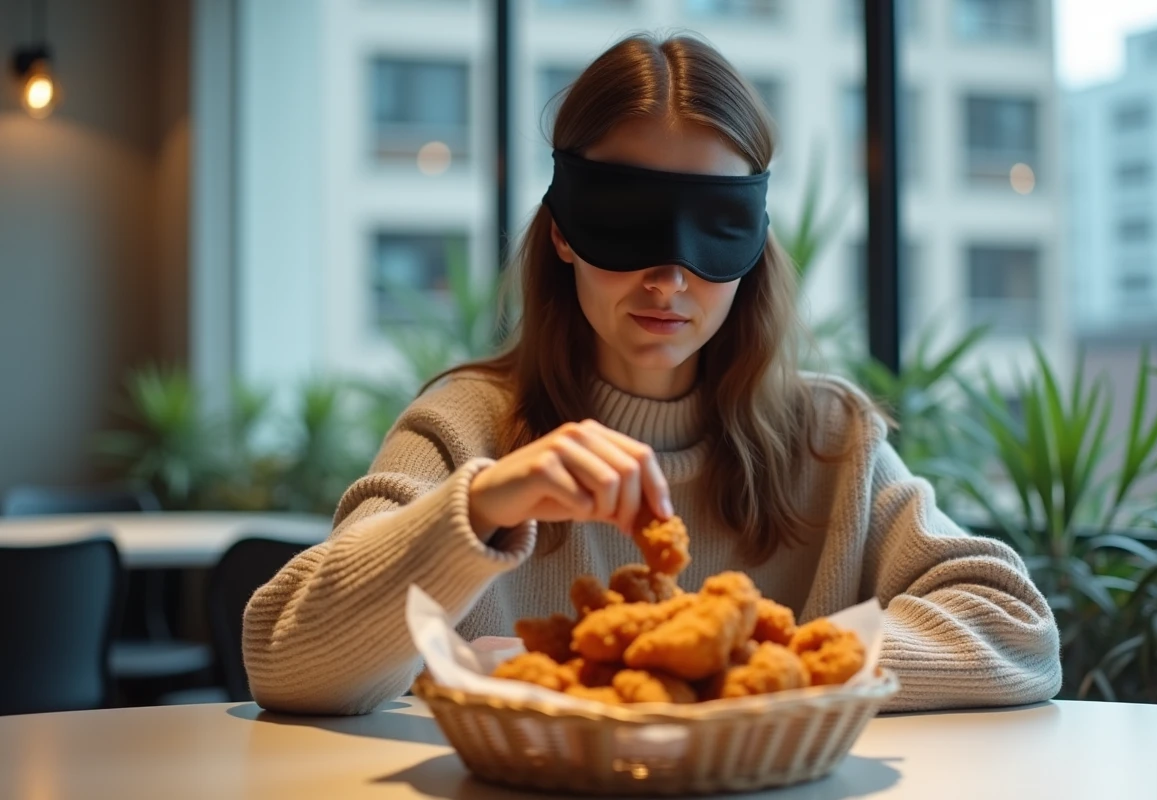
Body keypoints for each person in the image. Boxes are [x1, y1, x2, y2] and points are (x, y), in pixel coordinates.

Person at [243, 33, 1061, 715]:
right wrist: (484, 506)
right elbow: (287, 659)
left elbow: (1015, 628)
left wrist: (747, 667)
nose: (669, 279)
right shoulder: (465, 428)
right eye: (625, 223)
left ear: (757, 240)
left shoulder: (828, 440)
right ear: (562, 231)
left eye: (715, 228)